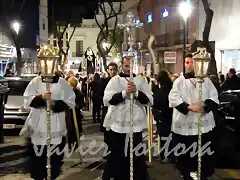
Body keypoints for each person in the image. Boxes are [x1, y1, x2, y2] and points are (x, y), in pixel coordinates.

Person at [169, 53, 219, 180]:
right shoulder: (179, 81)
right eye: (186, 62)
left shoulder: (206, 81)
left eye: (191, 62)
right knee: (186, 158)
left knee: (203, 158)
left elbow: (214, 97)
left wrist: (204, 105)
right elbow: (173, 99)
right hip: (185, 128)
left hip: (203, 127)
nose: (188, 65)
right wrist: (189, 107)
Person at [102, 56, 153, 180]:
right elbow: (107, 99)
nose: (128, 68)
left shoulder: (140, 80)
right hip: (118, 125)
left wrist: (136, 92)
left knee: (136, 154)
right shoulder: (115, 80)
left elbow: (149, 100)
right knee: (118, 154)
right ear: (121, 66)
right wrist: (124, 93)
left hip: (135, 124)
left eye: (130, 65)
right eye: (126, 66)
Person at [21, 71, 75, 180]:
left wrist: (53, 103)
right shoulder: (36, 81)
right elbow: (27, 100)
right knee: (38, 161)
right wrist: (41, 98)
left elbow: (70, 102)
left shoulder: (62, 83)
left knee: (54, 160)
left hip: (55, 126)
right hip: (38, 126)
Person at [152, 70, 173, 163]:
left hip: (163, 116)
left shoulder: (161, 90)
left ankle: (165, 155)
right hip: (168, 116)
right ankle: (165, 155)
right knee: (167, 136)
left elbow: (155, 102)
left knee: (164, 136)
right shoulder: (171, 89)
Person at [99, 62, 118, 158]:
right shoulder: (103, 81)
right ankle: (107, 151)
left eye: (114, 69)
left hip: (116, 109)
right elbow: (100, 94)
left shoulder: (119, 81)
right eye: (111, 69)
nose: (113, 71)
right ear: (107, 70)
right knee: (107, 132)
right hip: (107, 108)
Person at [66, 76, 85, 148]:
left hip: (76, 114)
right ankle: (69, 143)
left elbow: (81, 103)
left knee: (75, 128)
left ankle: (75, 143)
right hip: (68, 114)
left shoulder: (79, 93)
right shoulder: (66, 93)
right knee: (69, 128)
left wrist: (76, 106)